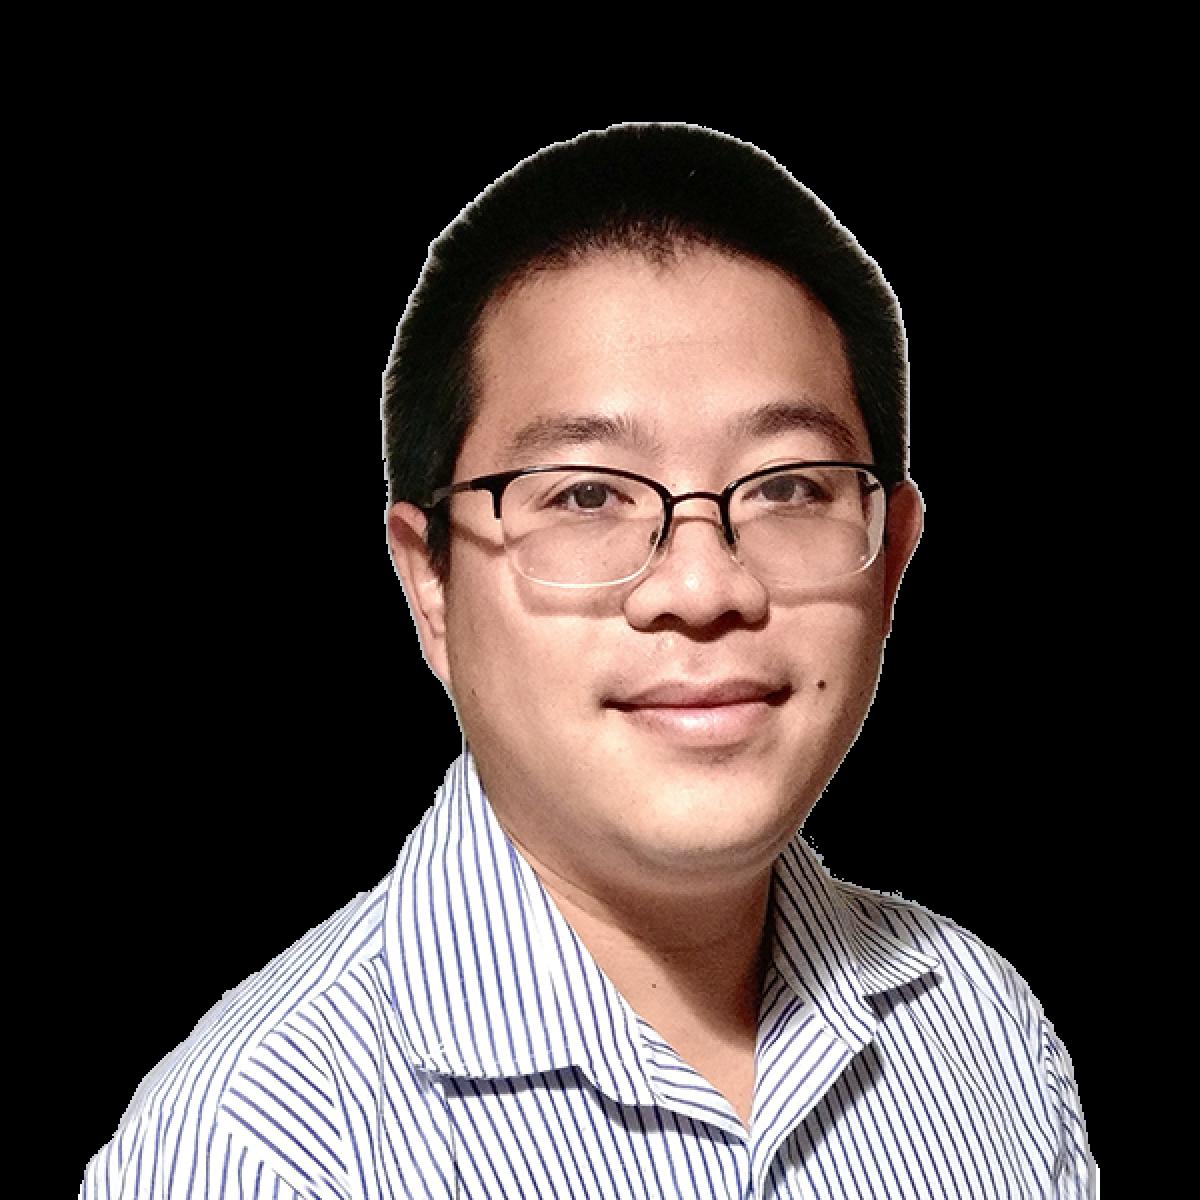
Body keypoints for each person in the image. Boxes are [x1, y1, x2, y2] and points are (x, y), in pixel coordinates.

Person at [82, 122, 1095, 1198]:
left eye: (788, 486)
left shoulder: (981, 1030)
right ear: (429, 582)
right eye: (585, 495)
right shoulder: (259, 1149)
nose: (701, 587)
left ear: (892, 557)